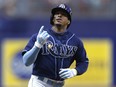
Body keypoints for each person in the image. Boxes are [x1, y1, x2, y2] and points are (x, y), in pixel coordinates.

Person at [22, 3, 89, 87]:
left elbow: (83, 62)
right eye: (56, 13)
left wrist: (75, 71)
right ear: (53, 18)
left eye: (63, 14)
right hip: (39, 83)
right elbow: (26, 62)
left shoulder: (75, 41)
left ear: (69, 21)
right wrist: (37, 45)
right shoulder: (40, 36)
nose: (59, 16)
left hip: (59, 85)